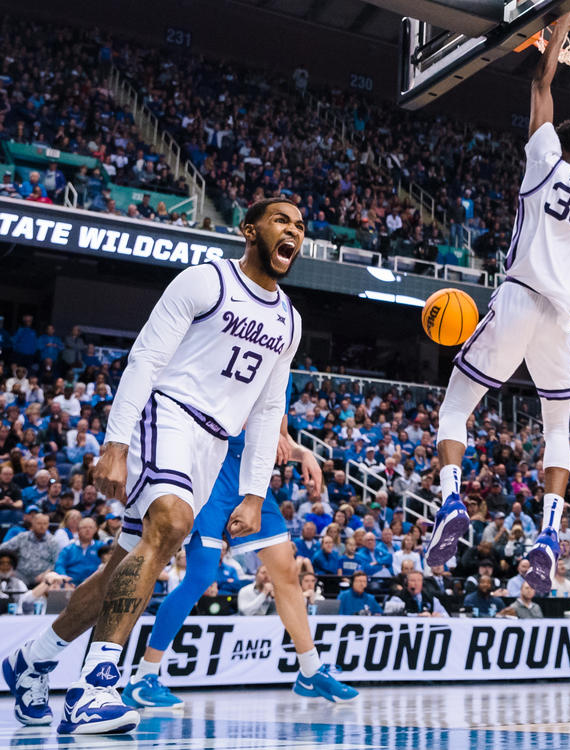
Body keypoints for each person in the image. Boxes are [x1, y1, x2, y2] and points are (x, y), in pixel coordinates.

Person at [2, 198, 305, 734]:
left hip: (214, 445)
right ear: (249, 229)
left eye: (300, 226)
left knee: (126, 565)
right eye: (281, 220)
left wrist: (255, 493)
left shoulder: (289, 320)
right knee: (171, 523)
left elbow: (267, 411)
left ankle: (33, 661)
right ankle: (95, 689)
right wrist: (116, 443)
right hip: (166, 413)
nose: (294, 231)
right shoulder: (204, 281)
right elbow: (145, 358)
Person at [424, 9, 570, 603]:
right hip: (560, 321)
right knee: (558, 429)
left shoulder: (542, 161)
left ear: (557, 145)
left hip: (517, 297)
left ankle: (449, 504)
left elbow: (541, 83)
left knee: (454, 410)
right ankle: (547, 535)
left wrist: (560, 29)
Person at [118, 400, 354, 708]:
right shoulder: (237, 354)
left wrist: (302, 452)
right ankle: (143, 677)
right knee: (200, 577)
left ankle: (310, 671)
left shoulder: (283, 373)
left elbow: (280, 439)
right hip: (213, 474)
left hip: (252, 483)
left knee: (286, 573)